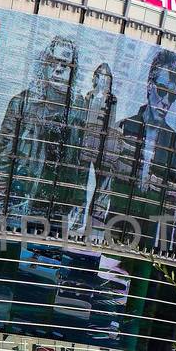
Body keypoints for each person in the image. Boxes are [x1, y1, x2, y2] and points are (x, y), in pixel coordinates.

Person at [0, 35, 84, 231]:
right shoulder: (21, 104)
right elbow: (3, 160)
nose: (58, 69)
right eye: (53, 62)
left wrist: (79, 207)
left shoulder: (79, 113)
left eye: (64, 64)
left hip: (59, 213)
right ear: (45, 65)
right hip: (20, 205)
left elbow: (81, 166)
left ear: (73, 71)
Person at [113, 49, 176, 248]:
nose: (166, 102)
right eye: (162, 91)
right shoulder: (123, 127)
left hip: (151, 234)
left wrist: (163, 245)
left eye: (172, 96)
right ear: (149, 86)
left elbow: (172, 201)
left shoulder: (175, 144)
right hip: (117, 223)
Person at [67, 62, 119, 237]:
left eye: (106, 78)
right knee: (82, 185)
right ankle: (76, 222)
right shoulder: (87, 97)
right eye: (100, 76)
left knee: (100, 187)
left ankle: (94, 225)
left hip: (102, 149)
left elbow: (110, 123)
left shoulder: (112, 100)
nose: (103, 80)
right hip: (86, 146)